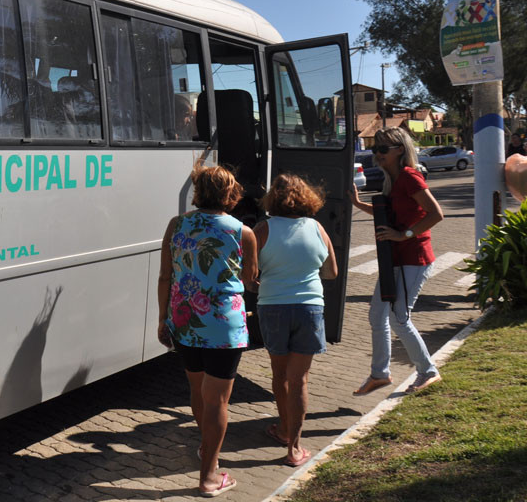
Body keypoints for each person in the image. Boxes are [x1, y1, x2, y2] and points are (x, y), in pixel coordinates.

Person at [157, 165, 258, 497]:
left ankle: (207, 448)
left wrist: (163, 319)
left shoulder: (177, 225)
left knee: (199, 393)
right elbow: (249, 279)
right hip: (223, 327)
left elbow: (165, 278)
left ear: (198, 191)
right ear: (231, 193)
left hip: (185, 320)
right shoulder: (242, 232)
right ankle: (209, 476)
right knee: (218, 401)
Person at [350, 127, 445, 396]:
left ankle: (428, 371)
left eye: (383, 149)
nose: (377, 154)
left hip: (414, 259)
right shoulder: (391, 179)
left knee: (399, 319)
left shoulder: (409, 177)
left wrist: (403, 235)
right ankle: (380, 374)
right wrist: (358, 204)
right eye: (374, 149)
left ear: (400, 150)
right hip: (396, 259)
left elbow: (435, 214)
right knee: (377, 315)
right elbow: (390, 213)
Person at [253, 174, 337, 468]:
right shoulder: (317, 228)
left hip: (273, 307)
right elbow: (332, 272)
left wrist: (264, 284)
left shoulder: (262, 229)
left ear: (272, 199)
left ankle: (284, 428)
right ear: (306, 197)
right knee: (299, 379)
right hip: (310, 308)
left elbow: (248, 275)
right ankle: (294, 448)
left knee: (280, 376)